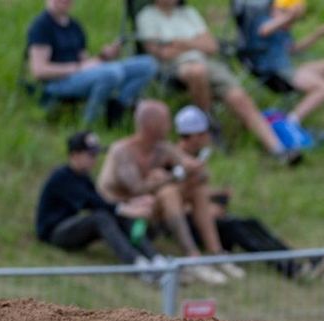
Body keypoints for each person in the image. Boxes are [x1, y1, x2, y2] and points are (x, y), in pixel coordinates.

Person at [173, 105, 324, 280]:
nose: (208, 138)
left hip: (205, 218)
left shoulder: (196, 157)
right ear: (196, 136)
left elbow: (196, 192)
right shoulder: (174, 160)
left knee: (251, 223)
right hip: (190, 225)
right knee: (237, 229)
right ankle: (293, 269)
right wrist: (204, 207)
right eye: (206, 133)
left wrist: (217, 194)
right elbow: (173, 202)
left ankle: (297, 259)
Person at [135, 0, 303, 165]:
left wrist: (179, 43)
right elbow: (162, 53)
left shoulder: (188, 13)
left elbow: (211, 46)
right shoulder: (147, 16)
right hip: (174, 67)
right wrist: (195, 43)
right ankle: (208, 125)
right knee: (197, 71)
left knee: (238, 96)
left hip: (207, 63)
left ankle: (277, 148)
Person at [97, 100, 245, 286]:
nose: (170, 127)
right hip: (124, 212)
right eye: (166, 122)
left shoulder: (162, 148)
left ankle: (216, 254)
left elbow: (192, 169)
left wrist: (194, 170)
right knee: (169, 192)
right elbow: (136, 189)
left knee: (197, 190)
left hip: (149, 208)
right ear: (152, 125)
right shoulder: (122, 151)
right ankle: (192, 258)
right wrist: (171, 177)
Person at [35, 131, 161, 280]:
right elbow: (92, 203)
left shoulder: (83, 177)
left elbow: (101, 201)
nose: (94, 160)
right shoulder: (62, 176)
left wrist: (131, 204)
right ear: (75, 155)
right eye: (90, 155)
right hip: (54, 233)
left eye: (95, 155)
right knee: (102, 217)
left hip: (70, 226)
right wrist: (127, 209)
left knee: (122, 216)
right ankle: (136, 264)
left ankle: (155, 259)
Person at [26, 0, 157, 126]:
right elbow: (39, 71)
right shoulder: (41, 26)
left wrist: (104, 57)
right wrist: (77, 68)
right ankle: (90, 121)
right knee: (111, 74)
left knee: (147, 64)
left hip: (79, 75)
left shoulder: (74, 26)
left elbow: (86, 62)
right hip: (57, 82)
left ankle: (118, 107)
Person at [240, 0, 324, 133]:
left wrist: (320, 33)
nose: (291, 23)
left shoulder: (283, 29)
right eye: (284, 13)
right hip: (275, 72)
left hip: (287, 68)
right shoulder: (263, 20)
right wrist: (289, 17)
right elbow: (264, 31)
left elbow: (294, 50)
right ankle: (291, 122)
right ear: (275, 9)